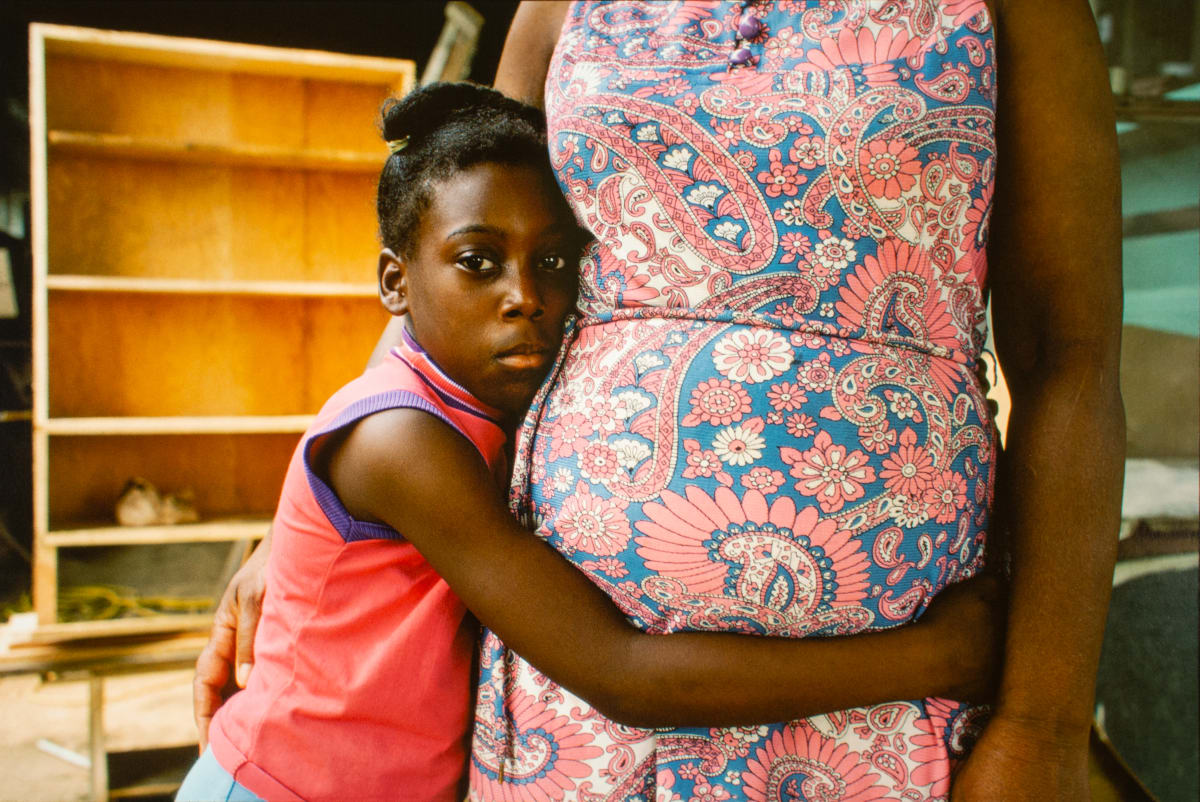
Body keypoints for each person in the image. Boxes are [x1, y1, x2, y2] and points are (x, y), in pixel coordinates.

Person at [198, 0, 1125, 797]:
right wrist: (307, 521)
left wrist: (1044, 724)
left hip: (886, 717)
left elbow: (1071, 359)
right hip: (576, 705)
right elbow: (454, 241)